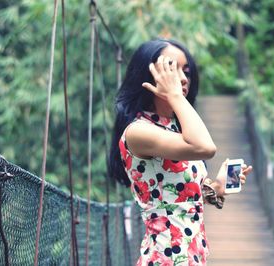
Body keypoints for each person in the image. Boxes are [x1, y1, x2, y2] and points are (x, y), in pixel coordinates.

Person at [108, 39, 252, 266]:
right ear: (150, 74)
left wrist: (215, 188)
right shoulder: (139, 131)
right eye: (172, 70)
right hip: (166, 259)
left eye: (186, 71)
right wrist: (175, 96)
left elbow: (176, 198)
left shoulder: (175, 128)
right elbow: (205, 148)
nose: (183, 79)